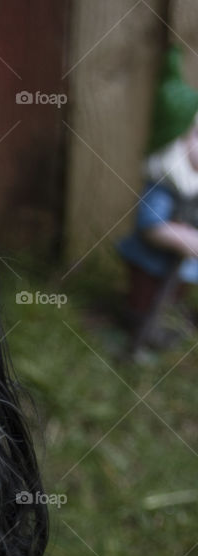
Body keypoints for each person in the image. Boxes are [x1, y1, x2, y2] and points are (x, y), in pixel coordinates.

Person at [118, 47, 198, 352]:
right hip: (152, 263)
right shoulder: (163, 187)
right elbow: (151, 225)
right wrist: (183, 236)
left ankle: (164, 323)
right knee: (147, 296)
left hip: (182, 266)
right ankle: (140, 326)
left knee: (174, 295)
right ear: (176, 140)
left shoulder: (193, 186)